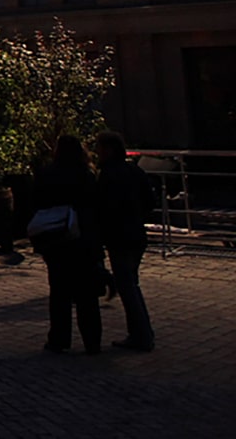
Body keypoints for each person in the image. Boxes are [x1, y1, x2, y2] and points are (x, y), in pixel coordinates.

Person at [32, 134, 104, 355]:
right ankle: (92, 341)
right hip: (83, 239)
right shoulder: (86, 175)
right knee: (87, 296)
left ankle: (59, 339)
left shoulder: (47, 174)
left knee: (60, 292)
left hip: (56, 239)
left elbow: (36, 202)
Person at [94, 130, 156, 351]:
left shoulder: (108, 174)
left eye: (99, 147)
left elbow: (103, 207)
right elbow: (150, 202)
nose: (97, 152)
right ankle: (142, 331)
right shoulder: (134, 171)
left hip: (118, 235)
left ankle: (141, 334)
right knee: (132, 282)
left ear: (108, 150)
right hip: (136, 234)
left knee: (127, 285)